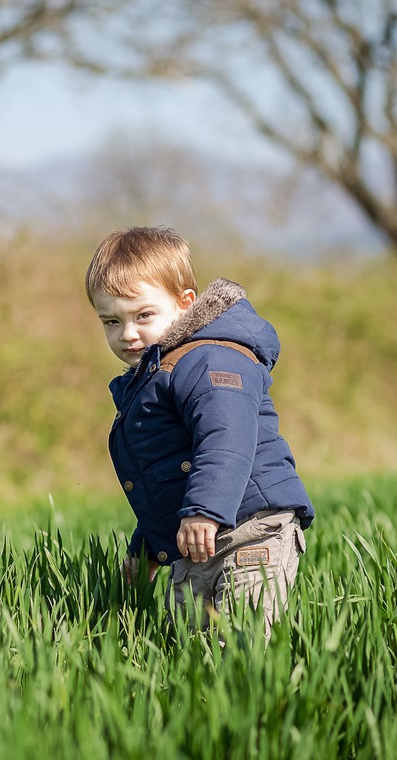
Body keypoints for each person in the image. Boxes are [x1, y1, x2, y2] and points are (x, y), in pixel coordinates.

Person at [86, 226, 314, 638]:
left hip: (251, 529)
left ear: (184, 303)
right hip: (197, 538)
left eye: (143, 315)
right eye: (111, 321)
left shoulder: (209, 359)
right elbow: (167, 475)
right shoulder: (156, 374)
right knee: (195, 651)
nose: (127, 334)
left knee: (241, 646)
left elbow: (226, 440)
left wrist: (204, 510)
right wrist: (148, 549)